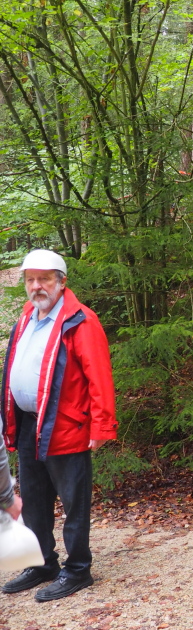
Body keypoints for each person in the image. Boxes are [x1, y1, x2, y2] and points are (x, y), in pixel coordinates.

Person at [1, 249, 117, 601]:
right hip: (28, 425)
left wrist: (101, 426)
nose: (36, 286)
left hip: (67, 425)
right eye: (30, 279)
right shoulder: (27, 316)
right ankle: (42, 564)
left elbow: (99, 376)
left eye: (44, 279)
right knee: (35, 499)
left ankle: (78, 569)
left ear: (61, 282)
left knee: (73, 501)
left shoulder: (80, 321)